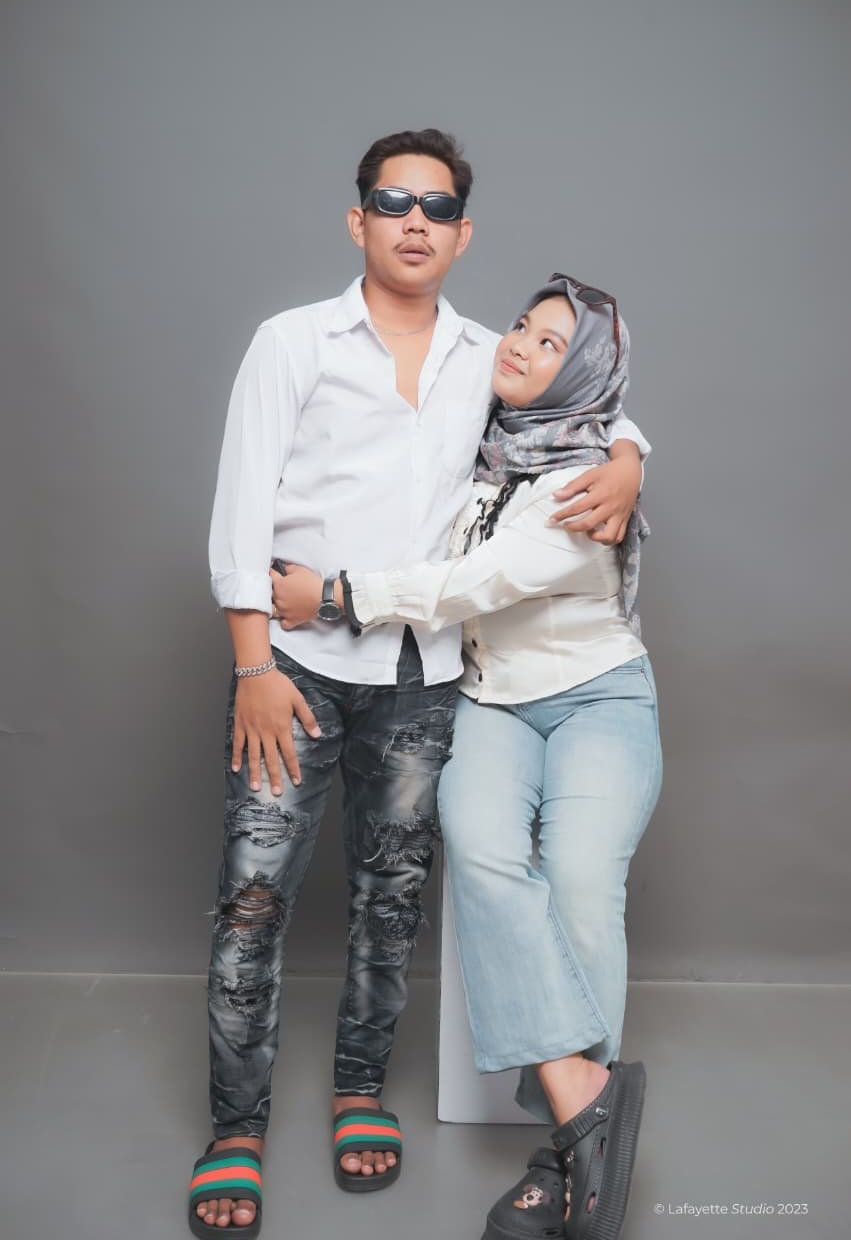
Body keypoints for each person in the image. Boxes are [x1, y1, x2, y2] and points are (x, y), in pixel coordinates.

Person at [189, 129, 649, 1237]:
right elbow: (239, 513)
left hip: (423, 677)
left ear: (460, 233)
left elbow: (584, 401)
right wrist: (251, 664)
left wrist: (632, 458)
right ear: (358, 220)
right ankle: (234, 1128)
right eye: (392, 202)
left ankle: (359, 1090)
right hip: (294, 669)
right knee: (254, 898)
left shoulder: (485, 356)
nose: (413, 221)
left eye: (436, 207)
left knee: (388, 904)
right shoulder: (292, 342)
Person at [271, 273, 663, 1240]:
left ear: (582, 372)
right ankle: (588, 1109)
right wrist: (633, 448)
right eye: (521, 326)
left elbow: (468, 585)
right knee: (482, 851)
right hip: (491, 698)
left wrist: (333, 596)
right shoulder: (488, 429)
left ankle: (561, 1155)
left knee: (580, 880)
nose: (519, 344)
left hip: (600, 696)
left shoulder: (581, 483)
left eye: (550, 342)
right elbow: (616, 417)